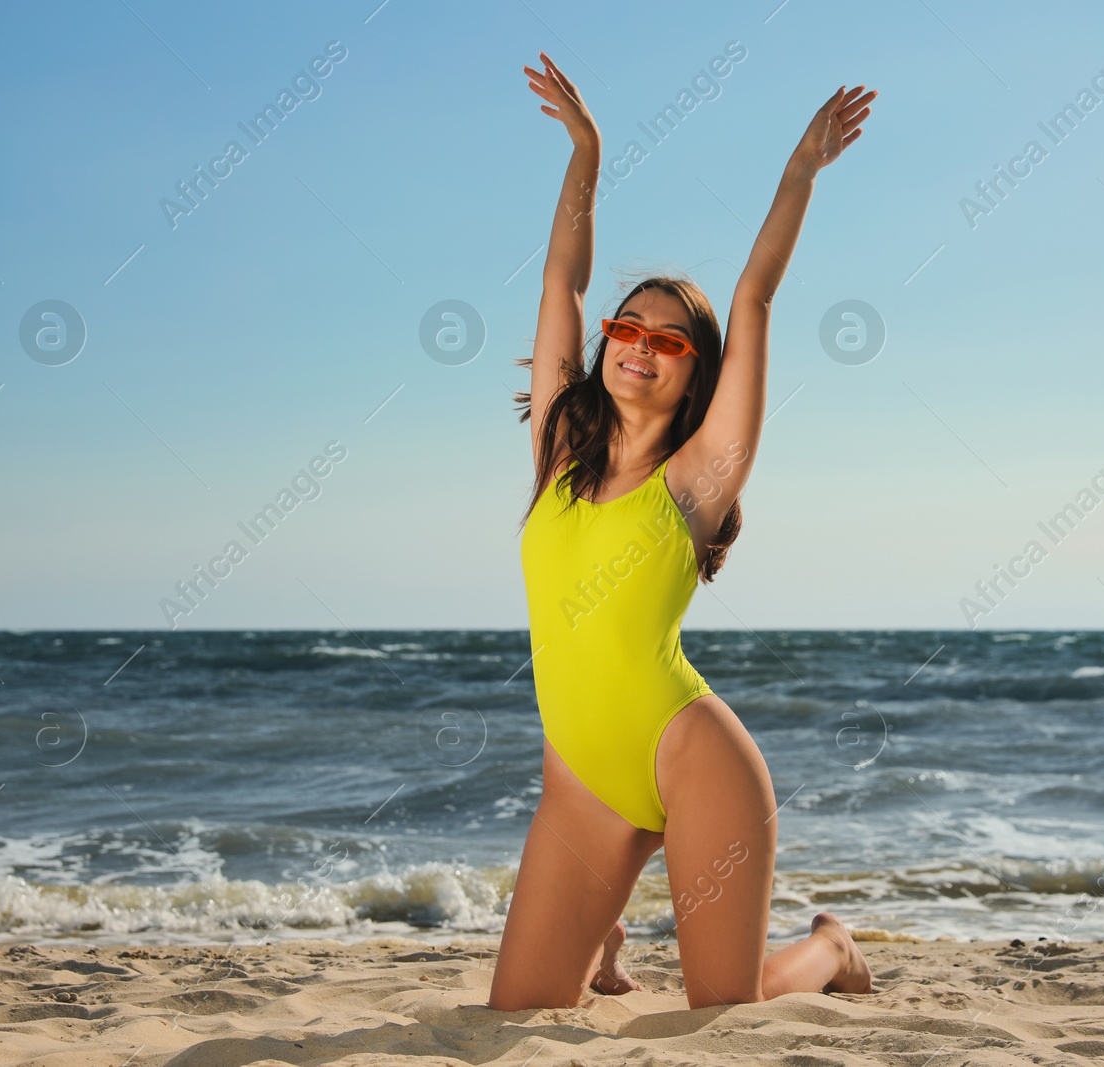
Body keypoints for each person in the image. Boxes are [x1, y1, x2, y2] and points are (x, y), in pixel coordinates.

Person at [487, 50, 877, 1012]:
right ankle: (603, 936)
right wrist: (587, 150)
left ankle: (830, 946)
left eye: (668, 341)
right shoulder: (556, 455)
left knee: (722, 1014)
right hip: (582, 782)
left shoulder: (698, 480)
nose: (639, 348)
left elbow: (752, 300)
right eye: (629, 329)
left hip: (692, 761)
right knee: (515, 1018)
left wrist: (800, 174)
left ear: (694, 373)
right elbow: (562, 283)